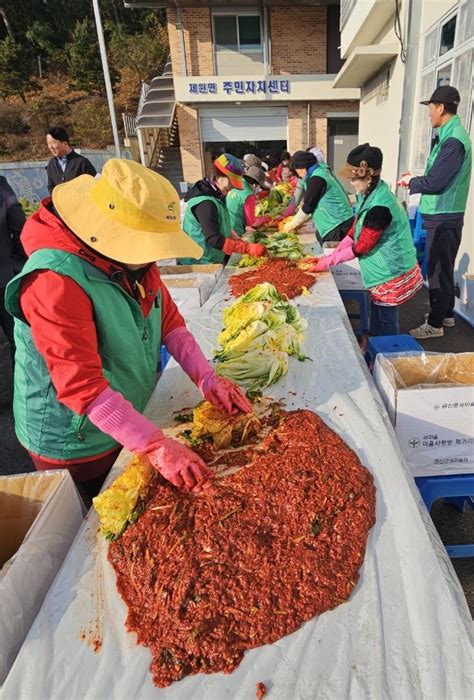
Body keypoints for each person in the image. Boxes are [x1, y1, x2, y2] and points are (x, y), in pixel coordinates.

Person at [5, 159, 252, 498]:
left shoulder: (135, 264)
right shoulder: (54, 280)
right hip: (74, 437)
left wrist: (206, 377)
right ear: (111, 233)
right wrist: (156, 446)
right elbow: (83, 388)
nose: (153, 257)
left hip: (125, 413)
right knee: (96, 515)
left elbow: (170, 324)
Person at [311, 144, 423, 336]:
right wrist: (339, 248)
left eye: (354, 178)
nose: (351, 182)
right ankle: (374, 344)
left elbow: (362, 246)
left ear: (368, 176)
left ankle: (387, 355)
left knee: (387, 320)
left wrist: (329, 260)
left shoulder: (381, 207)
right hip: (379, 270)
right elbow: (356, 226)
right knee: (377, 313)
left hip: (390, 271)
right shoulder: (368, 194)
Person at [398, 86, 472, 339]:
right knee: (444, 267)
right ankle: (447, 314)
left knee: (437, 270)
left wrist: (412, 182)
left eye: (430, 108)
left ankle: (435, 324)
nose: (429, 113)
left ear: (440, 108)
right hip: (443, 214)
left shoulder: (454, 141)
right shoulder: (450, 136)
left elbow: (436, 182)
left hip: (443, 215)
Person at [181, 153, 267, 264]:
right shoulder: (205, 203)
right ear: (219, 176)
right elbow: (214, 239)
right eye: (231, 183)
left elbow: (221, 223)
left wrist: (238, 240)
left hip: (213, 257)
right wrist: (246, 248)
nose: (232, 188)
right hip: (200, 263)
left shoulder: (217, 195)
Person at [283, 151, 354, 243]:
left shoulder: (317, 179)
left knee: (334, 254)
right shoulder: (320, 172)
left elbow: (308, 207)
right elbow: (315, 205)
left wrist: (291, 224)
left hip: (336, 225)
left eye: (297, 170)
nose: (298, 175)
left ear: (303, 167)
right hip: (339, 222)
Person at [0, 177, 26, 365]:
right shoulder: (2, 188)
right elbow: (19, 227)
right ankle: (20, 392)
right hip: (5, 275)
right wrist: (18, 261)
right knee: (17, 339)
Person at [46, 126, 97, 195]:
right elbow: (51, 187)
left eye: (53, 142)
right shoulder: (51, 164)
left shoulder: (82, 162)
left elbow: (94, 186)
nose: (50, 147)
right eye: (48, 143)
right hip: (60, 205)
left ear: (65, 143)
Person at [226, 166, 271, 236]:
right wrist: (266, 218)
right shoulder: (248, 195)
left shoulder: (236, 186)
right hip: (236, 231)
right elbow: (252, 222)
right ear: (256, 184)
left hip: (226, 228)